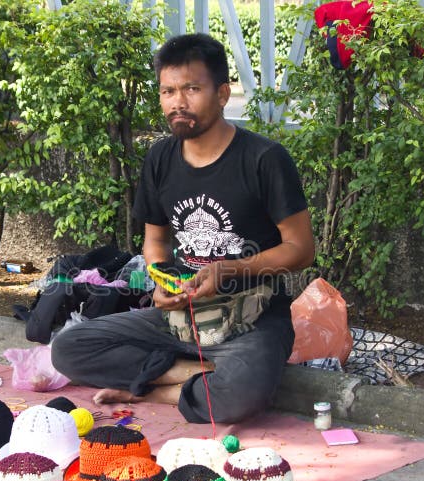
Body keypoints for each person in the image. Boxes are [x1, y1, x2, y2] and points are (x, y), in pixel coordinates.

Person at [52, 33, 315, 424]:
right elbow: (155, 242)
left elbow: (301, 249)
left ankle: (159, 387)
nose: (178, 102)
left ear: (223, 93)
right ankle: (193, 376)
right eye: (168, 91)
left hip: (251, 318)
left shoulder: (264, 159)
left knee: (241, 394)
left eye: (192, 88)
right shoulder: (160, 157)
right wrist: (161, 281)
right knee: (68, 347)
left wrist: (227, 270)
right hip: (180, 316)